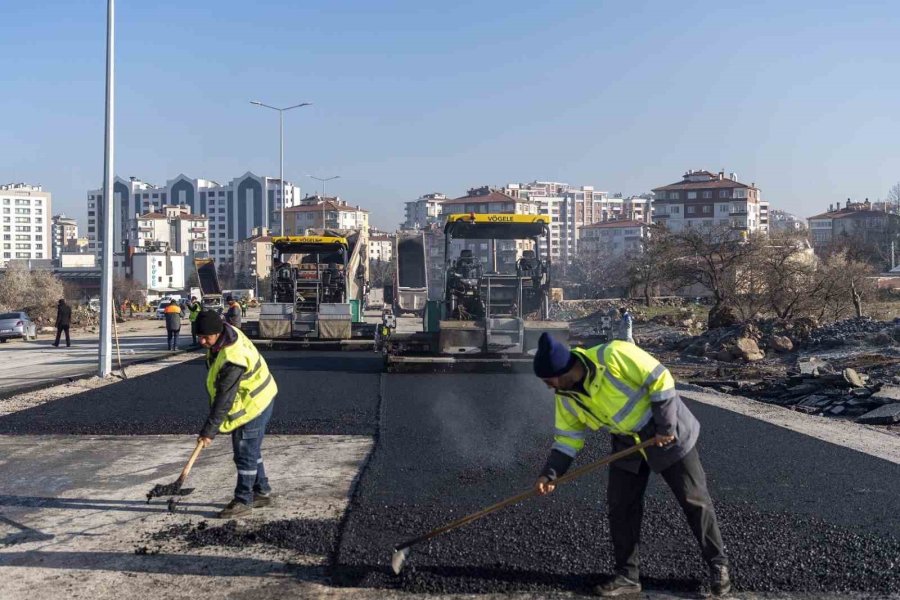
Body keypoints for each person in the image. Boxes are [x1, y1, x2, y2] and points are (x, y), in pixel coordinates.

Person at [532, 333, 730, 597]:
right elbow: (568, 438)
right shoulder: (566, 395)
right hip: (628, 442)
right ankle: (627, 576)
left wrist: (664, 426)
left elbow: (661, 379)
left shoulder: (614, 354)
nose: (548, 387)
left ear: (563, 369)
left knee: (694, 500)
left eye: (548, 380)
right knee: (621, 505)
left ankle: (719, 566)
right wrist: (551, 473)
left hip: (668, 432)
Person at [195, 310, 278, 518]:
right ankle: (262, 491)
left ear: (217, 332)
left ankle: (243, 499)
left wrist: (209, 431)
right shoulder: (224, 336)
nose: (203, 341)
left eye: (206, 337)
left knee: (244, 452)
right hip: (259, 396)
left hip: (254, 404)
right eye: (200, 337)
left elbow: (224, 398)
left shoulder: (233, 357)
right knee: (251, 449)